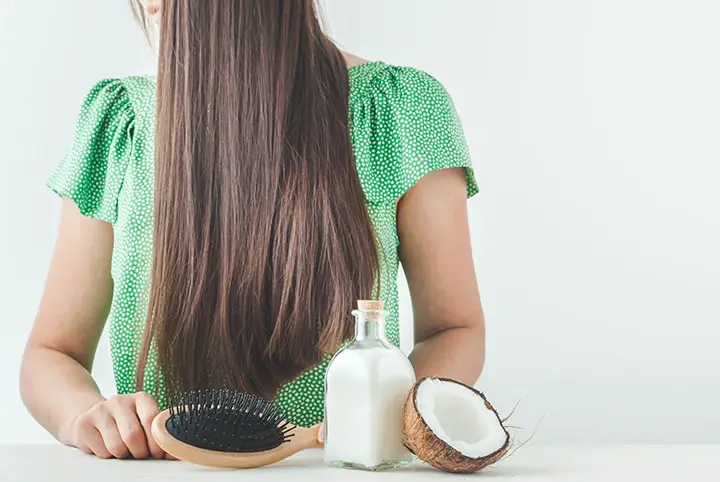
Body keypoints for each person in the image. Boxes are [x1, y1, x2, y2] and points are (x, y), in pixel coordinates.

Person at [19, 0, 485, 461]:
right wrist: (86, 415)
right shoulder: (120, 122)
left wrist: (383, 419)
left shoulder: (403, 111)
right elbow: (51, 353)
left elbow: (454, 329)